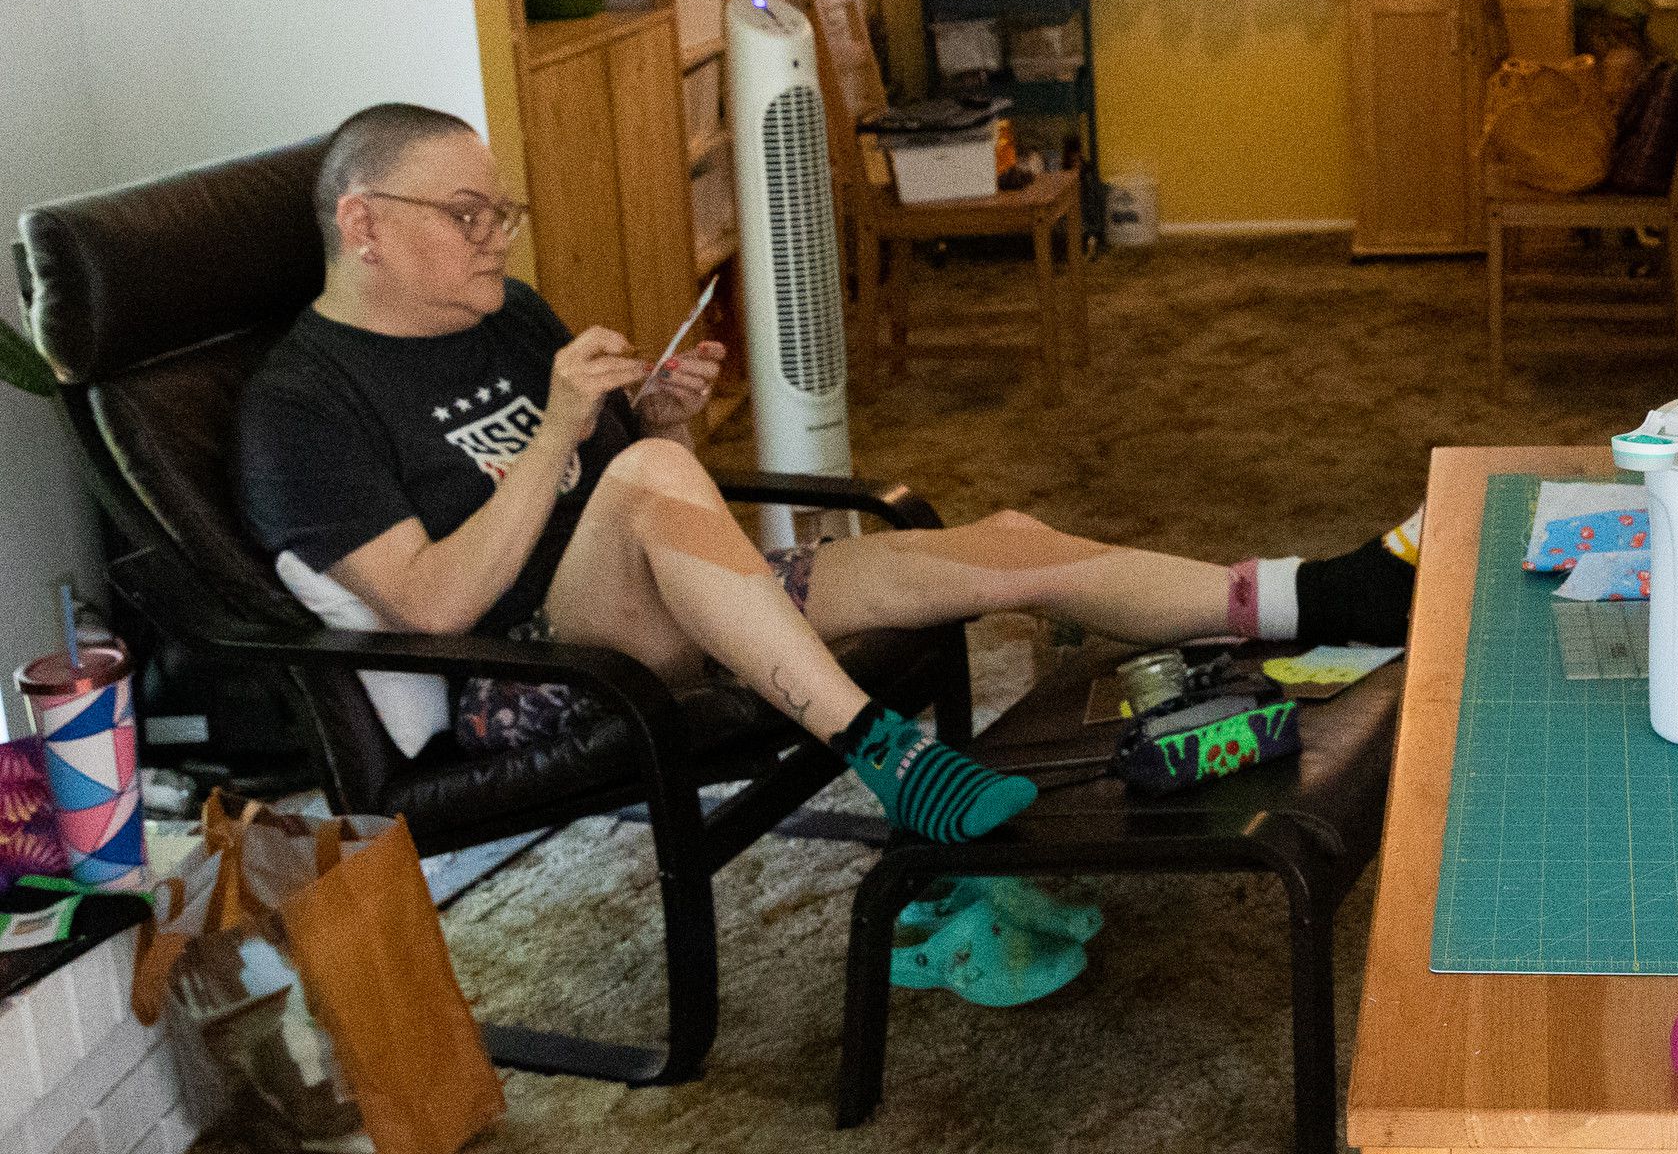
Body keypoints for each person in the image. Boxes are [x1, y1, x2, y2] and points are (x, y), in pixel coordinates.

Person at [235, 105, 1417, 843]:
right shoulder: (303, 404)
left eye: (503, 209)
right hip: (539, 670)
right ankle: (890, 758)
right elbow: (435, 604)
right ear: (366, 223)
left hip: (681, 598)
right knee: (642, 468)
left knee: (1003, 539)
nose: (498, 235)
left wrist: (658, 420)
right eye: (468, 212)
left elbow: (656, 504)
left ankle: (1324, 593)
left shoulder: (502, 318)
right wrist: (568, 439)